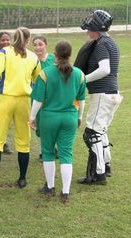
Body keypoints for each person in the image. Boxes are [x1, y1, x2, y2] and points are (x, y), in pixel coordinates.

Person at [0, 27, 41, 194]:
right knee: (23, 140)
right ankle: (22, 178)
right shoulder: (33, 56)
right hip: (24, 100)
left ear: (13, 38)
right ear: (28, 40)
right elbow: (37, 80)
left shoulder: (4, 52)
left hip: (5, 99)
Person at [30, 40, 86, 203]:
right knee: (66, 154)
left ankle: (50, 187)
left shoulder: (45, 73)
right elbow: (81, 100)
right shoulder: (79, 74)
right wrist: (80, 116)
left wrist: (32, 117)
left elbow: (38, 100)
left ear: (55, 54)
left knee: (47, 152)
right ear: (69, 55)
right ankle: (65, 192)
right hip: (69, 117)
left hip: (49, 118)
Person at [75, 10, 123, 185]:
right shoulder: (110, 42)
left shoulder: (102, 44)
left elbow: (105, 69)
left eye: (90, 28)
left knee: (92, 133)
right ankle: (106, 165)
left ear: (96, 28)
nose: (87, 32)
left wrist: (82, 80)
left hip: (103, 94)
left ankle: (98, 174)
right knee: (100, 130)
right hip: (111, 93)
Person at [32, 35, 55, 162]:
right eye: (35, 45)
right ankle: (43, 151)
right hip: (38, 97)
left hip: (53, 97)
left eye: (40, 44)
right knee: (39, 124)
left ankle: (53, 148)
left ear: (46, 45)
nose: (37, 47)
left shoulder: (53, 59)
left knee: (52, 124)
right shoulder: (32, 60)